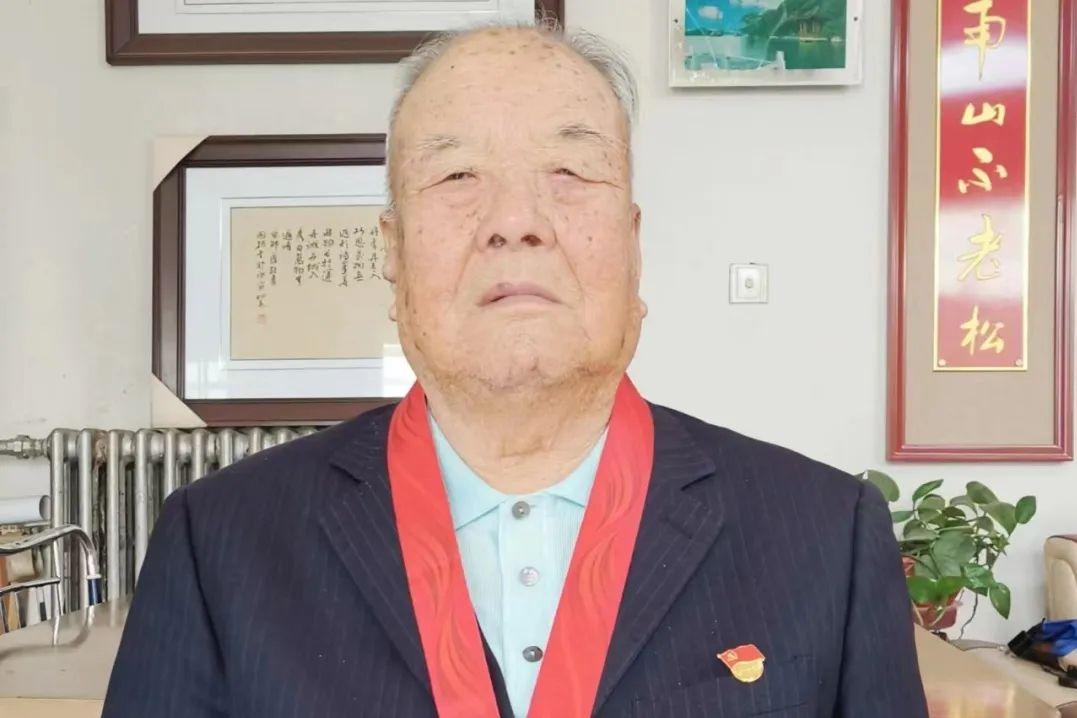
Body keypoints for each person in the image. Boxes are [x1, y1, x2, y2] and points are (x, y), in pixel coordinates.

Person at [103, 19, 927, 718]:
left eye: (569, 172)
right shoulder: (219, 542)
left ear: (633, 243)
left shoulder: (826, 535)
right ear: (392, 251)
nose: (515, 220)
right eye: (457, 175)